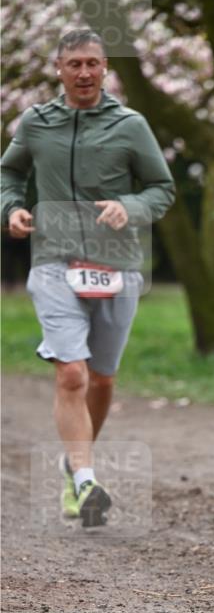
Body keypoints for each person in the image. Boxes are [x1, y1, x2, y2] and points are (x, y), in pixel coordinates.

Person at [1, 29, 175, 527]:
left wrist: (131, 206)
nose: (84, 73)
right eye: (74, 63)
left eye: (93, 64)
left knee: (101, 377)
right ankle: (84, 479)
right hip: (53, 261)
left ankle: (74, 463)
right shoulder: (36, 123)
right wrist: (11, 208)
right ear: (58, 68)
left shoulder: (130, 125)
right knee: (71, 372)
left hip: (115, 266)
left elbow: (162, 187)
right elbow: (7, 173)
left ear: (105, 69)